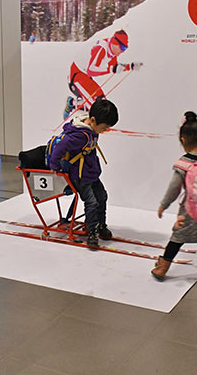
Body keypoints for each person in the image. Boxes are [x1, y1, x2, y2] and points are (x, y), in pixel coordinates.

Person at [152, 111, 197, 280]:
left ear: (183, 140)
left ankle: (162, 268)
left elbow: (174, 188)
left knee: (177, 238)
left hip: (191, 211)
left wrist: (164, 204)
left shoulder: (183, 164)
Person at [49, 98, 119, 246]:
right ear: (92, 120)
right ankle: (92, 231)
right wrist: (54, 166)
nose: (105, 131)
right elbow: (60, 148)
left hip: (91, 172)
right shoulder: (80, 135)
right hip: (79, 175)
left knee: (102, 196)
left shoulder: (91, 129)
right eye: (105, 127)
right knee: (91, 202)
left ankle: (101, 225)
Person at [65, 30, 141, 118]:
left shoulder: (112, 51)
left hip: (85, 76)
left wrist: (130, 66)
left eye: (125, 48)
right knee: (96, 103)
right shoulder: (101, 49)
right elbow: (91, 70)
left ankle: (72, 103)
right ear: (115, 43)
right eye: (123, 48)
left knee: (101, 100)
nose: (123, 51)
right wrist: (112, 69)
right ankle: (95, 123)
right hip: (76, 76)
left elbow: (115, 67)